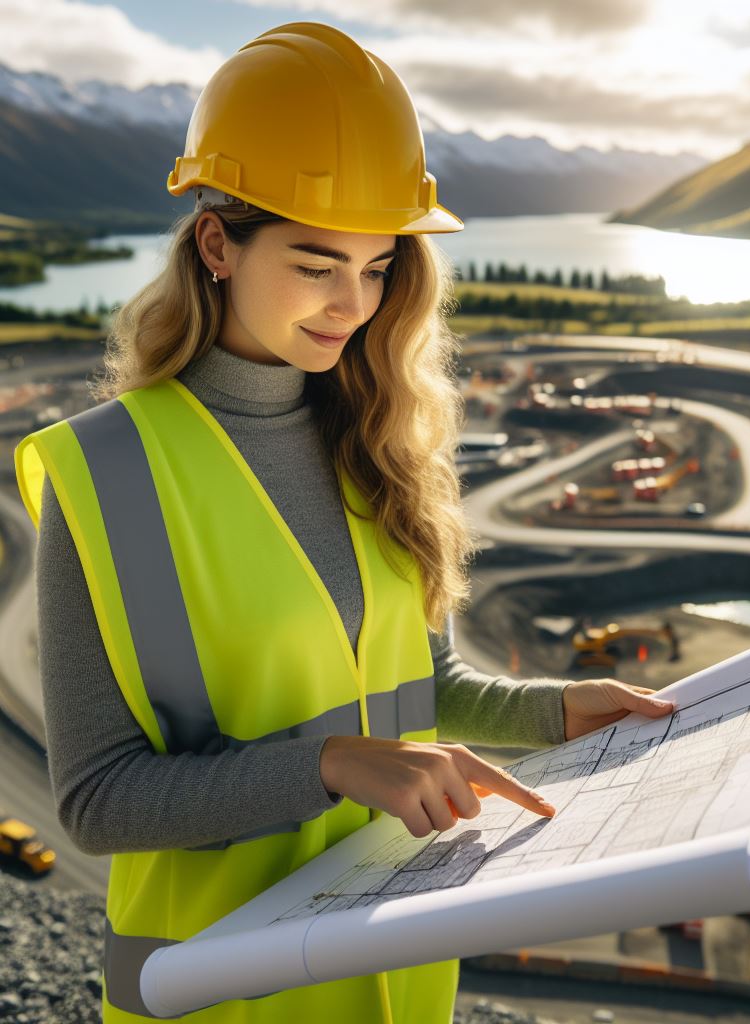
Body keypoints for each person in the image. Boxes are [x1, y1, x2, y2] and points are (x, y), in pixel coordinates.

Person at [14, 21, 674, 1024]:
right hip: (219, 996)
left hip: (397, 983)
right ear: (216, 243)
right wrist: (330, 763)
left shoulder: (380, 443)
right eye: (318, 265)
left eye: (377, 269)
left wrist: (556, 708)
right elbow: (100, 799)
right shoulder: (104, 473)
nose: (352, 306)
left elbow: (419, 688)